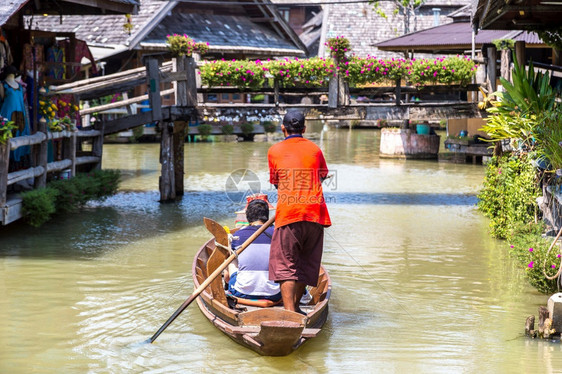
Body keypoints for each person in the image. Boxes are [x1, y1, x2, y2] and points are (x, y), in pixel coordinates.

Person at [267, 110, 331, 314]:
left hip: (289, 213)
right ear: (304, 129)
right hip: (315, 213)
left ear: (283, 128)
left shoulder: (274, 150)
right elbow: (321, 176)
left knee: (285, 265)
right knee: (305, 263)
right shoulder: (315, 149)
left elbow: (276, 182)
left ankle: (289, 314)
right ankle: (294, 308)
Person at [226, 199, 281, 303]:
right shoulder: (278, 234)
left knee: (232, 259)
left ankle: (228, 287)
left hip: (241, 292)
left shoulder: (237, 235)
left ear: (248, 216)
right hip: (274, 293)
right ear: (267, 216)